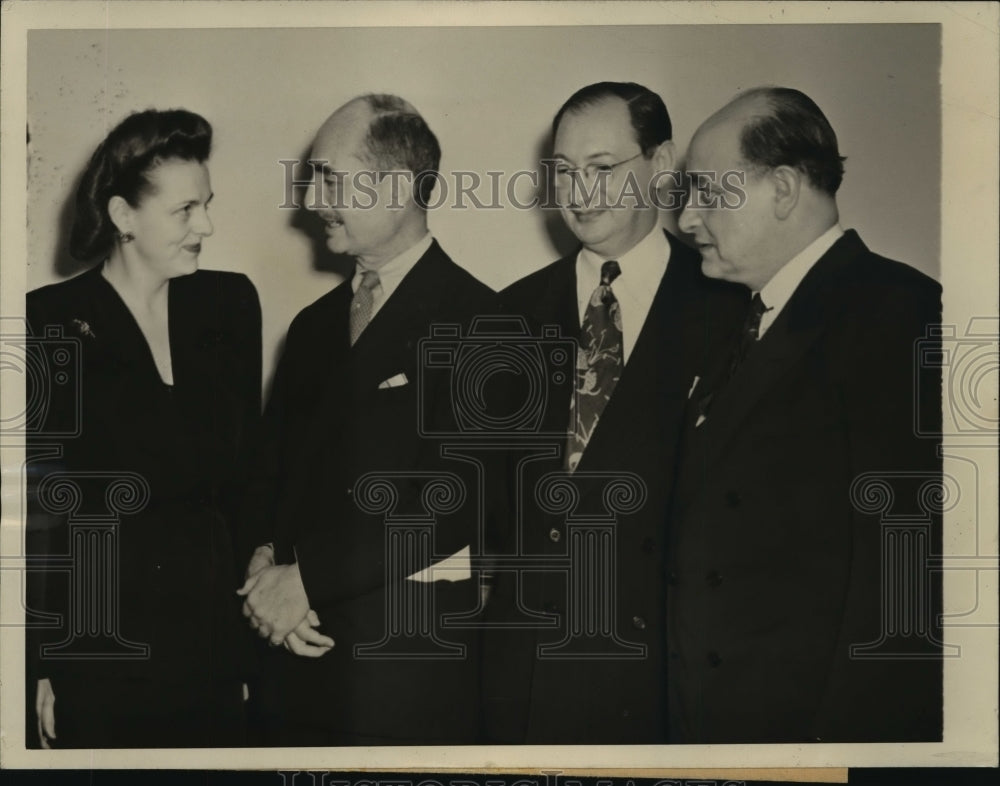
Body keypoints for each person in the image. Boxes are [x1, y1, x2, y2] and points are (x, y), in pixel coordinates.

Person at [668, 86, 943, 743]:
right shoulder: (739, 322)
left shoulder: (899, 312)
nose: (684, 219)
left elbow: (904, 582)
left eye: (707, 192)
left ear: (784, 189)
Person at [481, 82, 743, 744]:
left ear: (660, 164)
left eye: (602, 169)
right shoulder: (504, 317)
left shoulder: (732, 309)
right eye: (564, 173)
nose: (579, 193)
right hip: (519, 684)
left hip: (656, 681)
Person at [239, 94, 495, 746]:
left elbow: (449, 503)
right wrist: (264, 573)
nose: (311, 199)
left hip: (400, 677)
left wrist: (305, 582)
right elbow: (269, 476)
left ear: (400, 186)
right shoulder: (312, 326)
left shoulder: (485, 323)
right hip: (289, 666)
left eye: (330, 177)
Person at [26, 109, 262, 748]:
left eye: (206, 205)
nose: (206, 225)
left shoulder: (231, 304)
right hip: (102, 649)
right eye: (185, 211)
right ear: (124, 216)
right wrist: (40, 667)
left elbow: (249, 485)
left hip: (214, 645)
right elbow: (40, 513)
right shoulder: (48, 322)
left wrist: (248, 651)